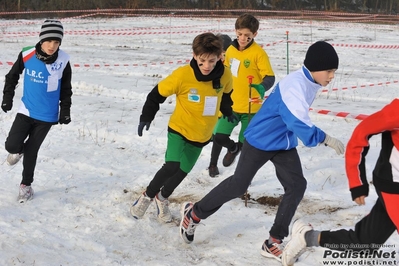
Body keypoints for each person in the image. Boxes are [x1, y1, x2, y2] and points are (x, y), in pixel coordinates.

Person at [179, 41, 345, 262]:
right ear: (315, 67)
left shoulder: (309, 81)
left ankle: (273, 241)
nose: (332, 76)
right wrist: (325, 138)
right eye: (329, 71)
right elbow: (298, 123)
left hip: (282, 143)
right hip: (260, 139)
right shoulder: (296, 86)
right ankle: (195, 213)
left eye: (334, 71)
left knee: (296, 185)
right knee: (239, 184)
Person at [130, 32, 236, 223]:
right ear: (195, 55)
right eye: (202, 60)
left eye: (212, 61)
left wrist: (227, 110)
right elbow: (156, 95)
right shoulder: (182, 75)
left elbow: (226, 95)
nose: (207, 66)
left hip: (202, 134)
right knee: (171, 165)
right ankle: (146, 196)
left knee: (182, 172)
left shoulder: (225, 75)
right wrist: (146, 116)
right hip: (179, 129)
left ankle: (161, 199)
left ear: (220, 56)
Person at [281, 98, 399, 266]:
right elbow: (361, 134)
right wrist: (356, 181)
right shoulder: (396, 112)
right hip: (393, 186)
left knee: (366, 242)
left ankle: (307, 237)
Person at [2, 19, 72, 203]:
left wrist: (65, 110)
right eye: (49, 41)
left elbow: (66, 88)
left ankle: (26, 186)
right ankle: (17, 151)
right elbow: (12, 76)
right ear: (41, 39)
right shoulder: (27, 54)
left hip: (47, 116)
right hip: (27, 110)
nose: (52, 46)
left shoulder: (64, 60)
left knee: (32, 150)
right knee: (11, 145)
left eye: (56, 42)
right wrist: (7, 98)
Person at [208, 14, 275, 177]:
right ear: (235, 32)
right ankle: (233, 148)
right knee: (219, 136)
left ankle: (242, 175)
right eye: (240, 35)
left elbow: (270, 76)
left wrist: (262, 86)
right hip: (231, 105)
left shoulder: (259, 53)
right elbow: (226, 71)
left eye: (247, 35)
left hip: (251, 108)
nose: (243, 39)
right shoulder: (230, 50)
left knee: (247, 144)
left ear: (255, 35)